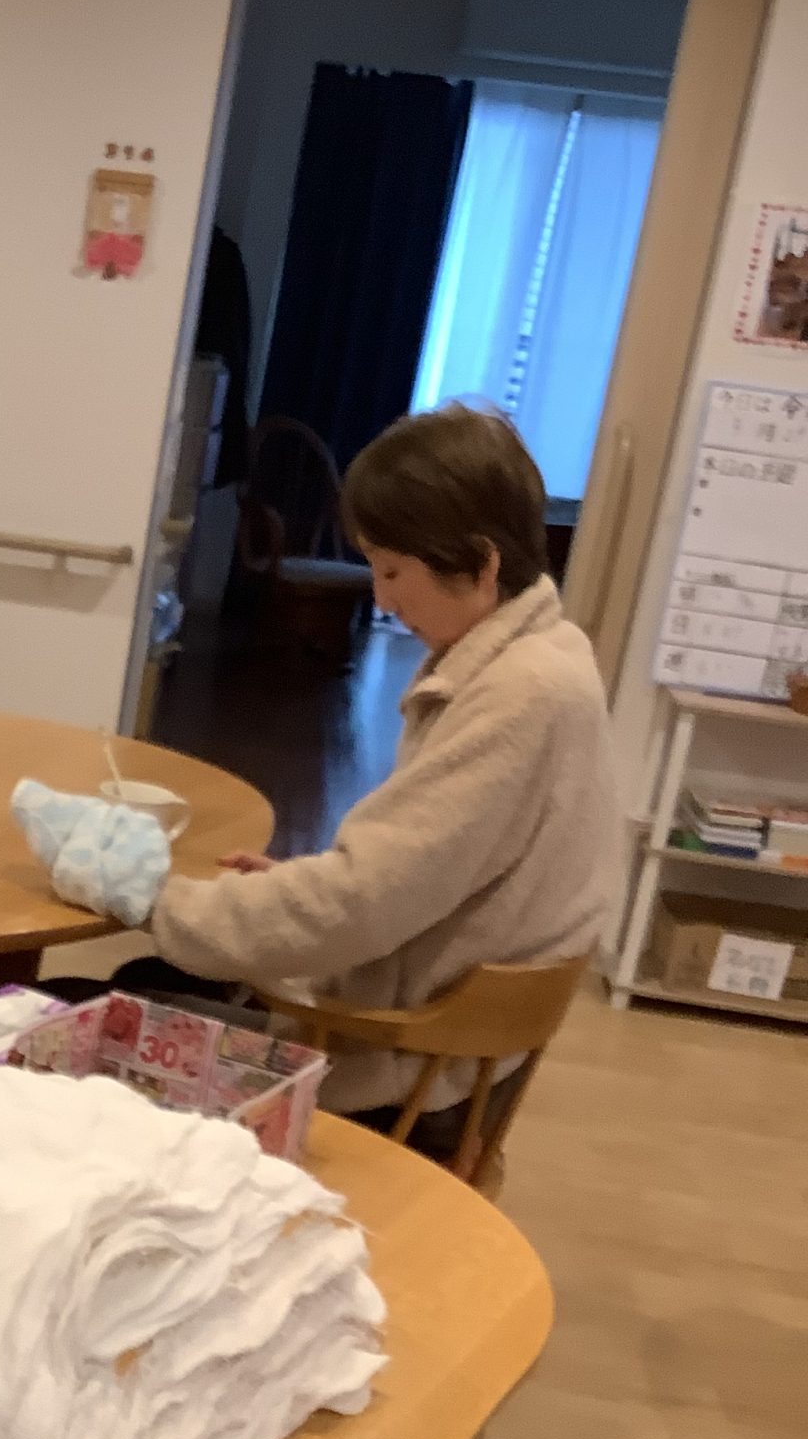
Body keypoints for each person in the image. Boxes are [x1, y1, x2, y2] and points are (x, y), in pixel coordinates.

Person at [36, 404, 621, 1156]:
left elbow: (357, 905)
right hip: (444, 1057)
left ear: (480, 564)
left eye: (393, 571)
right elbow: (412, 877)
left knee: (64, 1009)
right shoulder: (553, 657)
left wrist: (152, 895)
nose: (382, 599)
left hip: (404, 1086)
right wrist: (287, 891)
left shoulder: (520, 695)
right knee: (147, 978)